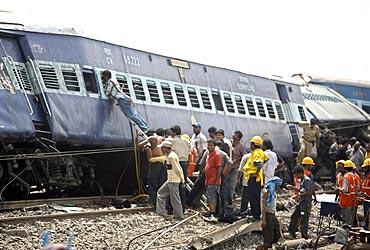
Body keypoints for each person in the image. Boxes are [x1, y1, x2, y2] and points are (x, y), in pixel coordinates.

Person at [156, 140, 185, 220]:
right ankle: (161, 212)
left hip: (173, 181)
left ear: (165, 148)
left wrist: (182, 179)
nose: (161, 149)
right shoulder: (172, 155)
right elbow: (179, 167)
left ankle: (179, 217)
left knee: (175, 199)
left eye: (162, 148)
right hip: (170, 180)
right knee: (160, 193)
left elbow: (177, 169)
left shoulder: (171, 157)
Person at [243, 136, 269, 221]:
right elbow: (266, 159)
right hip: (258, 178)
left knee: (253, 197)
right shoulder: (261, 152)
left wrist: (256, 172)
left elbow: (260, 164)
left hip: (254, 178)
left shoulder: (256, 153)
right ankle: (257, 214)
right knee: (256, 196)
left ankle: (256, 216)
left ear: (253, 145)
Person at [139, 130, 167, 206]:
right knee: (161, 182)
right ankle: (160, 202)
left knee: (152, 182)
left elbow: (139, 145)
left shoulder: (151, 138)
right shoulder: (162, 138)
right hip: (164, 162)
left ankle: (152, 202)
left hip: (155, 162)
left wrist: (145, 145)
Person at [168, 125, 190, 210]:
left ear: (174, 132)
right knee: (182, 185)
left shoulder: (171, 141)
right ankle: (183, 207)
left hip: (175, 163)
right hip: (184, 163)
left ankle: (172, 207)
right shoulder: (186, 141)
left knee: (173, 185)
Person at [287, 166, 313, 239]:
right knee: (294, 216)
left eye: (296, 174)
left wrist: (298, 196)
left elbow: (307, 191)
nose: (295, 176)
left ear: (300, 173)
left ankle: (304, 236)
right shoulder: (301, 180)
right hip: (301, 202)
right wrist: (292, 188)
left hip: (305, 203)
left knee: (304, 219)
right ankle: (292, 232)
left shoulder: (307, 180)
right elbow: (301, 190)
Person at [258, 177, 283, 250]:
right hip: (267, 214)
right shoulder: (267, 192)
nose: (279, 187)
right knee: (269, 237)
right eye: (278, 185)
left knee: (277, 233)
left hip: (272, 214)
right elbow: (263, 206)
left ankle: (264, 246)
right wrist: (264, 219)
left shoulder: (273, 192)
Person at [203, 139, 223, 222]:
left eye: (211, 145)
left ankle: (213, 213)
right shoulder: (208, 154)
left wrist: (217, 180)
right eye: (208, 145)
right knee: (209, 195)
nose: (209, 147)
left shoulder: (217, 155)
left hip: (214, 179)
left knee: (211, 196)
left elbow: (219, 168)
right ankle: (211, 211)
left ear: (214, 146)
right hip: (208, 178)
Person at [338, 160, 358, 226]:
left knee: (346, 222)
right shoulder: (355, 176)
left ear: (345, 168)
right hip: (354, 201)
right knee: (351, 221)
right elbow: (358, 188)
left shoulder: (346, 177)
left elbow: (345, 190)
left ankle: (346, 235)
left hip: (346, 202)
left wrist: (338, 188)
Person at [230, 131, 246, 198]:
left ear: (239, 138)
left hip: (235, 167)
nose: (233, 136)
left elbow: (243, 156)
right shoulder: (229, 142)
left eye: (236, 135)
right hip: (227, 166)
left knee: (232, 182)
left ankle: (231, 195)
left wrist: (237, 160)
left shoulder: (241, 147)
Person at [360, 158, 370, 229]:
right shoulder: (366, 177)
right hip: (366, 200)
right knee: (366, 214)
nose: (364, 169)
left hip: (369, 199)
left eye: (366, 167)